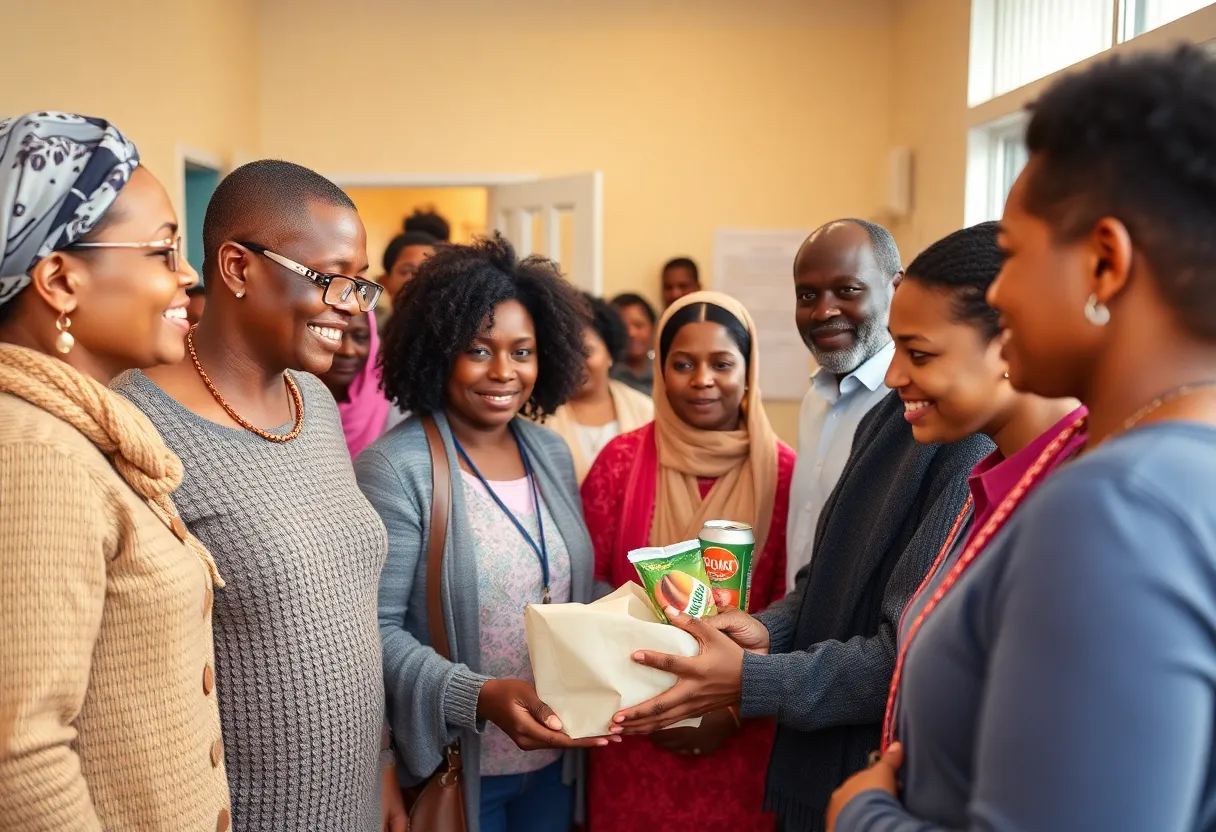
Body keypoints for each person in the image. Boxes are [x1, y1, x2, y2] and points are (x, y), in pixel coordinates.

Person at [828, 45, 1216, 832]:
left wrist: (864, 815)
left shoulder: (1116, 508)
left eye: (1012, 255)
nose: (998, 292)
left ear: (1105, 263)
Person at [608, 258, 992, 832]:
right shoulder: (883, 421)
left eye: (920, 352)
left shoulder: (976, 456)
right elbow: (826, 572)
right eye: (899, 349)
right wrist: (766, 630)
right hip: (774, 741)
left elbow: (904, 650)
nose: (892, 375)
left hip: (856, 763)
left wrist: (745, 683)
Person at [113, 160, 402, 832]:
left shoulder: (317, 404)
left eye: (360, 285)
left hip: (355, 808)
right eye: (330, 280)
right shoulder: (137, 425)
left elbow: (348, 618)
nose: (351, 309)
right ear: (238, 269)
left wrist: (384, 760)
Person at [0, 112, 231, 830]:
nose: (188, 274)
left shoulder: (85, 430)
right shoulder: (38, 457)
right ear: (62, 280)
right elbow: (22, 758)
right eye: (163, 251)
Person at [358, 234, 611, 832]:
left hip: (556, 760)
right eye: (479, 350)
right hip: (457, 766)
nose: (504, 372)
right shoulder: (398, 468)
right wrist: (478, 696)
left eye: (522, 351)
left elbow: (563, 585)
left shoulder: (548, 450)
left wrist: (644, 615)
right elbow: (373, 633)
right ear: (438, 351)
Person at [581, 291, 796, 832]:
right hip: (631, 729)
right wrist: (648, 707)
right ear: (661, 370)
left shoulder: (789, 475)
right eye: (683, 364)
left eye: (722, 363)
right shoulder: (620, 464)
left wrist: (729, 710)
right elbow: (591, 596)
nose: (702, 379)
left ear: (748, 373)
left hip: (744, 735)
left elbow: (802, 607)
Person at [785, 219, 902, 592]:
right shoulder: (814, 399)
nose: (823, 312)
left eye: (847, 290)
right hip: (794, 633)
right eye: (807, 296)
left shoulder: (911, 408)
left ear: (896, 288)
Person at [541, 293, 653, 482]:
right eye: (565, 353)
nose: (575, 363)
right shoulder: (540, 416)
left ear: (610, 353)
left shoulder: (645, 410)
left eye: (586, 352)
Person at [317, 310, 406, 458]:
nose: (347, 351)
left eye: (360, 337)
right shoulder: (287, 403)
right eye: (333, 335)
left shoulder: (394, 403)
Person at [376, 228, 436, 326]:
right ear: (385, 280)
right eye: (407, 272)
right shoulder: (369, 329)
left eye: (428, 272)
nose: (418, 280)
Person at [609, 292, 657, 396]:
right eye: (623, 327)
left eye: (639, 325)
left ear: (653, 328)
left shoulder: (664, 374)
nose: (631, 333)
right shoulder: (605, 379)